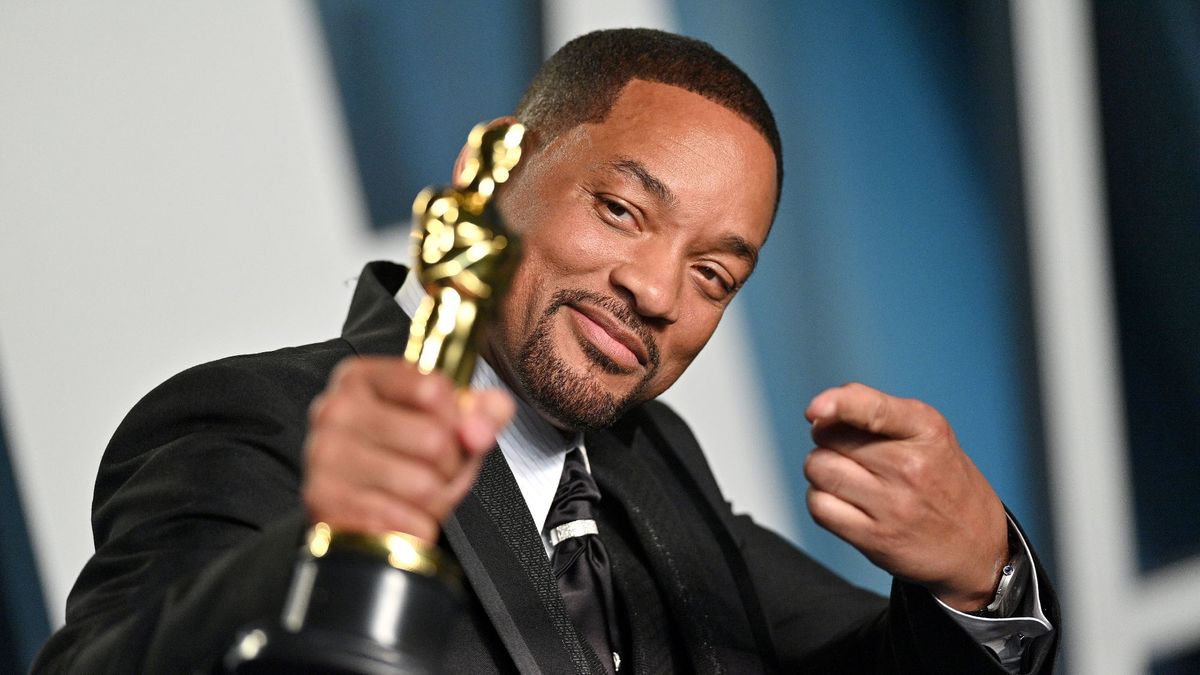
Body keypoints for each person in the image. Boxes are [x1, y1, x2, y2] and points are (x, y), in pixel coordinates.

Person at [34, 28, 1057, 673]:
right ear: (496, 169)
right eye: (620, 210)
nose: (656, 292)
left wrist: (978, 580)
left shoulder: (656, 470)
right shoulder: (249, 423)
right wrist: (317, 555)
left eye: (714, 276)